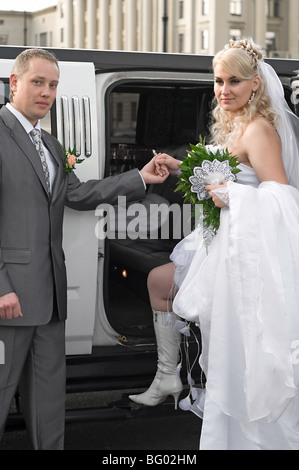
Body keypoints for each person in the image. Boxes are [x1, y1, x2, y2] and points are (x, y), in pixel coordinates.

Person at [130, 38, 299, 450]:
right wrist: (178, 167)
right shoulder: (236, 123)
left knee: (242, 352)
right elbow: (214, 168)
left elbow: (282, 198)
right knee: (226, 350)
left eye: (235, 81)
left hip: (247, 260)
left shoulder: (259, 129)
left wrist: (231, 196)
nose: (224, 90)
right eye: (219, 81)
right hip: (223, 250)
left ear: (256, 84)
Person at [0, 48, 168, 450]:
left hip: (51, 296)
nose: (46, 92)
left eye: (53, 85)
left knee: (49, 401)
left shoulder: (52, 145)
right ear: (14, 83)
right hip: (10, 299)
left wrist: (139, 179)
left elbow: (78, 193)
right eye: (37, 82)